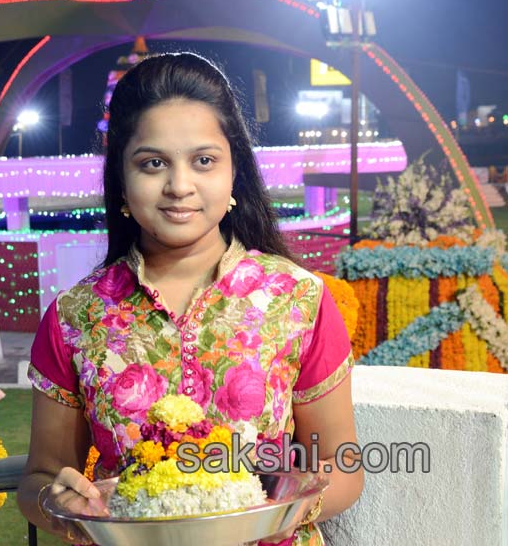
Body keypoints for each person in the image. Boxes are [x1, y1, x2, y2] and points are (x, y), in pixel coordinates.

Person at [18, 53, 364, 545]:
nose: (179, 186)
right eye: (153, 163)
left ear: (234, 173)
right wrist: (60, 503)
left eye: (203, 160)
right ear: (120, 177)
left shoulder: (297, 299)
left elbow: (344, 467)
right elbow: (39, 479)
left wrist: (256, 515)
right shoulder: (75, 317)